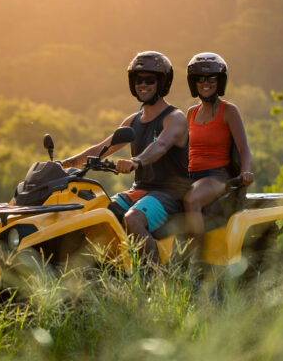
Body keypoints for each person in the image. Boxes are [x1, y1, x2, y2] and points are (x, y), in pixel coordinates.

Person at [61, 51, 189, 264]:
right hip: (140, 191)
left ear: (162, 83)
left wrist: (135, 162)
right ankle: (113, 273)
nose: (143, 85)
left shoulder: (174, 118)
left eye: (150, 80)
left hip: (169, 193)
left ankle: (154, 283)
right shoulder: (133, 120)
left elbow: (161, 145)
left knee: (133, 219)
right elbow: (102, 148)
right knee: (98, 212)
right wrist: (64, 164)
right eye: (138, 80)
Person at [184, 52, 254, 262]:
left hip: (218, 177)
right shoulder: (190, 113)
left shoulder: (229, 111)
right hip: (191, 175)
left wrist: (245, 171)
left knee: (191, 200)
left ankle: (197, 262)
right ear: (193, 83)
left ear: (220, 82)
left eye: (212, 79)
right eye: (201, 79)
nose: (206, 83)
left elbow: (244, 148)